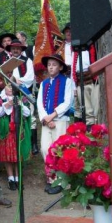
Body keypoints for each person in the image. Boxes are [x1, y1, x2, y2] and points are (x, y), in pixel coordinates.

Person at [37, 54, 74, 194]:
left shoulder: (67, 81)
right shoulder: (43, 83)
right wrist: (46, 119)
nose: (51, 67)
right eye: (49, 64)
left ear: (60, 67)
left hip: (60, 121)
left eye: (54, 64)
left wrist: (53, 115)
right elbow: (40, 103)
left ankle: (61, 181)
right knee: (45, 149)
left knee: (60, 151)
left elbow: (67, 102)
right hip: (47, 122)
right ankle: (51, 179)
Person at [0, 84, 31, 190]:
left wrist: (20, 105)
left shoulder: (21, 98)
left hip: (19, 131)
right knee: (7, 155)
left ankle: (18, 177)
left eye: (12, 86)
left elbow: (28, 113)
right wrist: (6, 105)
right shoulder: (0, 99)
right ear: (4, 87)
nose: (10, 88)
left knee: (18, 155)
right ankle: (11, 178)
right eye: (8, 86)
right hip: (6, 132)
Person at [5, 39, 39, 155]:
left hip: (25, 92)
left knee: (31, 118)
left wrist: (17, 82)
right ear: (10, 50)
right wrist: (12, 82)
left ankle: (33, 144)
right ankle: (15, 144)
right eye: (13, 48)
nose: (15, 50)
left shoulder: (27, 61)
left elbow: (30, 77)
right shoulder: (6, 62)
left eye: (17, 48)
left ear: (21, 50)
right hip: (10, 94)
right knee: (14, 118)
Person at [64, 23, 99, 128]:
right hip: (79, 81)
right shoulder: (75, 49)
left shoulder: (92, 46)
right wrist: (74, 86)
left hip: (93, 79)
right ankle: (83, 131)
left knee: (94, 110)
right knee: (82, 109)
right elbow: (73, 70)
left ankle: (94, 131)